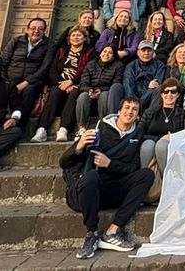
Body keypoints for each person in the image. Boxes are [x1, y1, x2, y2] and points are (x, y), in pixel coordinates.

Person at [62, 97, 153, 258]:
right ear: (118, 111)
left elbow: (132, 167)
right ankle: (91, 234)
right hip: (85, 192)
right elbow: (64, 162)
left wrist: (110, 164)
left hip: (110, 190)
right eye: (126, 107)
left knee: (146, 175)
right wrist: (79, 146)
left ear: (138, 116)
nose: (129, 112)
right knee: (91, 177)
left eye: (134, 109)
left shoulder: (137, 135)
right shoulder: (98, 128)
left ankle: (113, 231)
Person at [33, 26, 97, 143]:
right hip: (60, 83)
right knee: (55, 94)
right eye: (73, 35)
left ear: (84, 38)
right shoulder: (62, 51)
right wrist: (61, 83)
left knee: (74, 94)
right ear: (69, 38)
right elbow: (52, 70)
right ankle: (41, 129)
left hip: (78, 83)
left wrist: (72, 82)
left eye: (79, 35)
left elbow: (89, 71)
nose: (75, 37)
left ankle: (64, 129)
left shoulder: (90, 52)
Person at [139, 78, 184, 177]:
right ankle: (143, 177)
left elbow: (183, 134)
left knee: (162, 145)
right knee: (148, 144)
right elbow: (139, 132)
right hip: (150, 144)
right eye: (166, 91)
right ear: (161, 94)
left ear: (178, 94)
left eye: (173, 92)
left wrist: (172, 137)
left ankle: (165, 179)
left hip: (170, 147)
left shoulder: (182, 114)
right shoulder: (150, 112)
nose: (169, 95)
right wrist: (159, 139)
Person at [76, 44, 125, 130]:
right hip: (90, 90)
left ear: (114, 56)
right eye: (104, 51)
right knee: (82, 96)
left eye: (110, 53)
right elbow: (83, 84)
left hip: (106, 91)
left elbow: (116, 84)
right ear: (100, 53)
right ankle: (82, 127)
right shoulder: (91, 64)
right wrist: (90, 90)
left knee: (104, 95)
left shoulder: (118, 66)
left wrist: (100, 90)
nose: (106, 54)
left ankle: (103, 125)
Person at [122, 41, 165, 109]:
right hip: (132, 99)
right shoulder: (130, 66)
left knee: (157, 89)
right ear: (138, 53)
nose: (146, 53)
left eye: (149, 50)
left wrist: (139, 103)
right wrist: (134, 103)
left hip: (150, 97)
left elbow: (156, 84)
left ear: (153, 52)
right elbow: (128, 86)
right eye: (143, 50)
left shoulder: (160, 65)